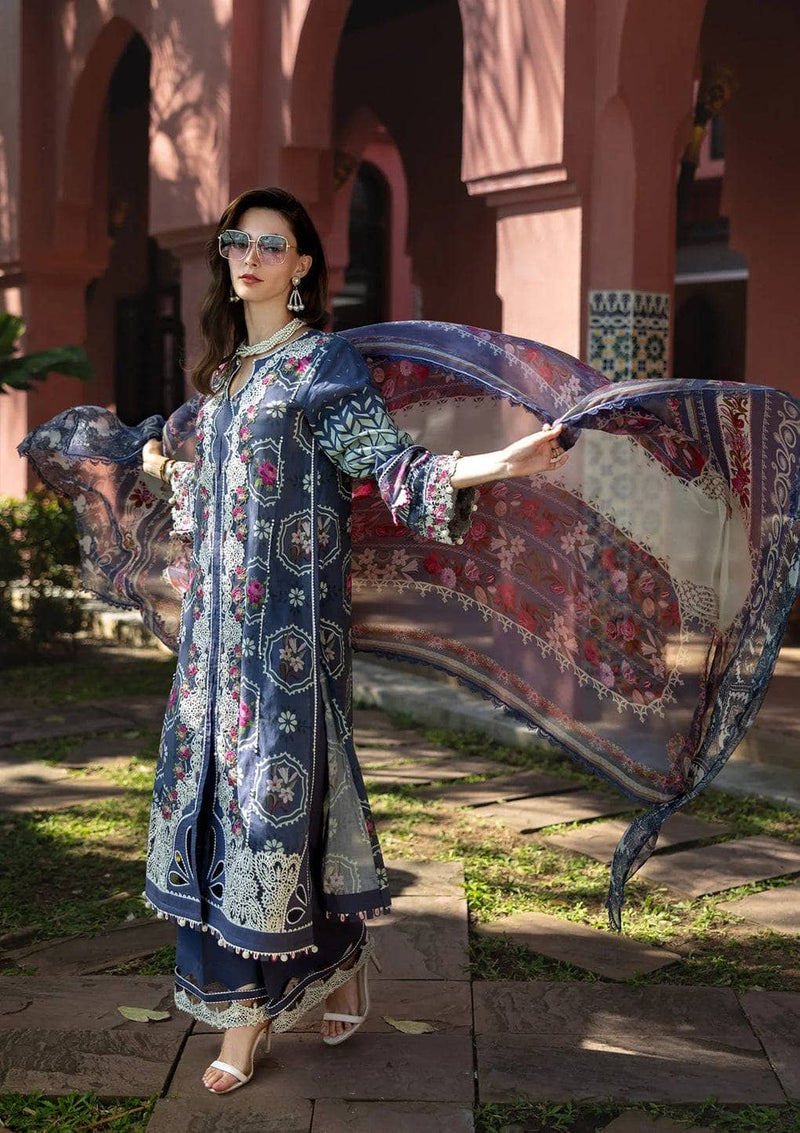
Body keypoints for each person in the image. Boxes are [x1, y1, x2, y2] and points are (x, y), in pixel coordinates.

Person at [138, 186, 569, 1094]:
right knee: (220, 803)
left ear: (301, 265)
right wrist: (172, 468)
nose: (251, 256)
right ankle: (335, 963)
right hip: (212, 646)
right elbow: (221, 496)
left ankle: (245, 1020)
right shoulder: (225, 378)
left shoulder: (320, 363)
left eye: (272, 244)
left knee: (268, 805)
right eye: (238, 241)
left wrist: (505, 461)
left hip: (287, 641)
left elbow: (389, 467)